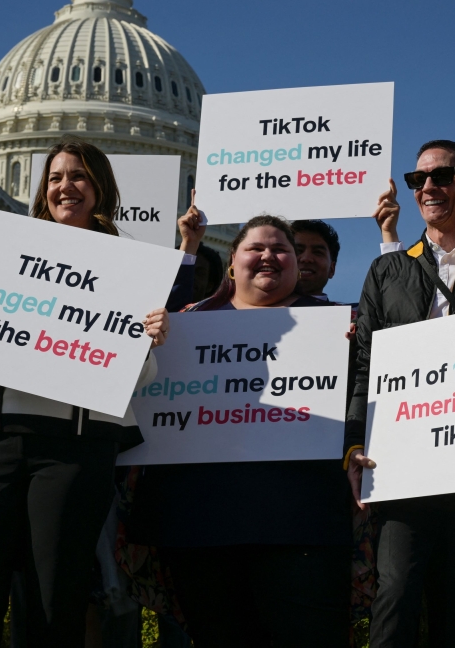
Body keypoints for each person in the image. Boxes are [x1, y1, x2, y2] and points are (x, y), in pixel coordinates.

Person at [0, 138, 169, 647]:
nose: (66, 187)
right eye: (55, 177)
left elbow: (138, 378)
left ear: (101, 189)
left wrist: (146, 341)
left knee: (50, 600)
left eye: (79, 176)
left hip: (76, 447)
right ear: (42, 190)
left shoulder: (130, 262)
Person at [128, 215, 351, 647]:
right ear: (232, 263)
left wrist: (359, 348)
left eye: (280, 249)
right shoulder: (186, 321)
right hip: (202, 528)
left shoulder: (338, 324)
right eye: (256, 248)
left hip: (303, 526)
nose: (269, 256)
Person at [346, 140, 455, 647]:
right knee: (394, 597)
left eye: (442, 176)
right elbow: (365, 364)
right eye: (419, 180)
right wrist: (355, 445)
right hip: (403, 470)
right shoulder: (386, 271)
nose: (429, 188)